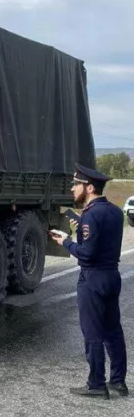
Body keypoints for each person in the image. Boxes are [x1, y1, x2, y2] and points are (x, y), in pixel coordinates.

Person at [49, 164, 128, 398]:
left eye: (76, 185)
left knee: (93, 333)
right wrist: (78, 233)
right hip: (112, 276)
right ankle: (118, 382)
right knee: (113, 331)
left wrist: (64, 241)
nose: (73, 189)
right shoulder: (115, 212)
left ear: (90, 187)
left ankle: (96, 384)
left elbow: (87, 254)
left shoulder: (91, 215)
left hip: (92, 278)